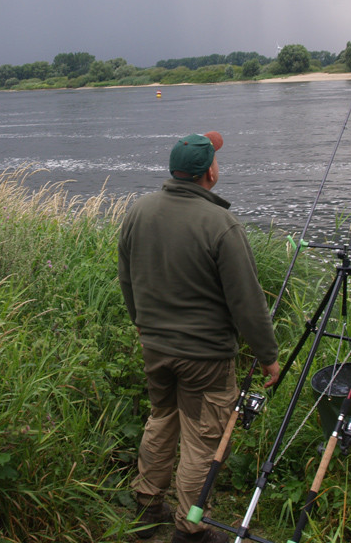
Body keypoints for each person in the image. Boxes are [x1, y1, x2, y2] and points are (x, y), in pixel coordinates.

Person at [118, 131, 282, 543]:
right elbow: (248, 303)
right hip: (205, 358)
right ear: (209, 172)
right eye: (216, 162)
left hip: (154, 347)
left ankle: (147, 506)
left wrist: (141, 322)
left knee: (162, 418)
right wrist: (269, 358)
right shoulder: (221, 224)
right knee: (203, 437)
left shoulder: (138, 210)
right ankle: (191, 529)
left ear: (175, 171)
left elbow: (127, 278)